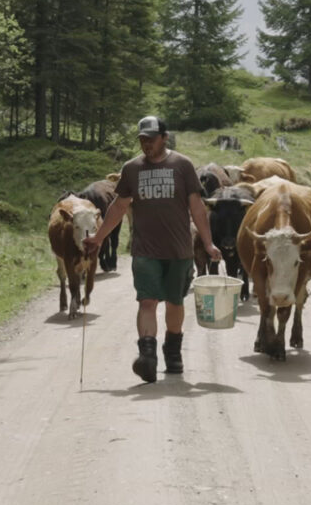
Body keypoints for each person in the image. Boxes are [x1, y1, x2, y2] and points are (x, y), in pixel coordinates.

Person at [85, 116, 221, 384]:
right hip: (145, 250)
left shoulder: (182, 165)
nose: (146, 144)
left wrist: (207, 243)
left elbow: (196, 208)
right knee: (147, 301)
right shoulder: (132, 169)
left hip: (179, 249)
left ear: (164, 138)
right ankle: (147, 356)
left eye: (151, 139)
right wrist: (99, 238)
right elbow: (119, 207)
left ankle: (173, 353)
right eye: (142, 140)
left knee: (174, 302)